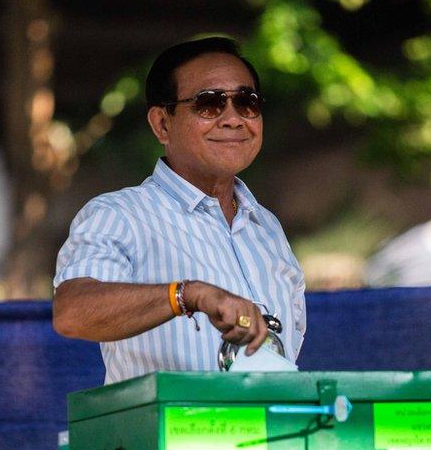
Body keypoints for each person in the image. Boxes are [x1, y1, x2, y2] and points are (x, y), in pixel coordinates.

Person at [52, 37, 305, 384]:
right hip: (166, 437)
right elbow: (71, 312)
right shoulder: (119, 215)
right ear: (162, 124)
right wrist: (187, 295)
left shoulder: (268, 228)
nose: (233, 118)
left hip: (272, 434)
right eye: (209, 104)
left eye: (246, 102)